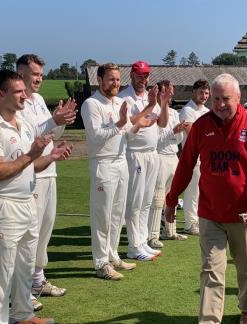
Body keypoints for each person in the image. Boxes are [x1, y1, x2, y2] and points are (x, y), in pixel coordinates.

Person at [164, 73, 247, 324]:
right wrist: (172, 199)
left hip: (244, 214)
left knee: (245, 268)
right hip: (210, 213)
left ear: (238, 98)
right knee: (211, 270)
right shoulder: (201, 127)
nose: (221, 104)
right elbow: (186, 165)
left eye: (226, 99)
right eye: (216, 99)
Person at [0, 70, 72, 324]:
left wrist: (49, 157)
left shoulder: (24, 123)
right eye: (17, 91)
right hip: (4, 204)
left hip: (27, 200)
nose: (24, 95)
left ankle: (22, 316)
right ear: (0, 94)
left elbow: (31, 165)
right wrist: (32, 155)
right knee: (1, 269)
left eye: (24, 90)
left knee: (25, 265)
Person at [81, 62, 155, 280]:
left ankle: (113, 255)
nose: (115, 83)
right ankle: (100, 263)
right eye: (111, 79)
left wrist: (137, 126)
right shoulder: (91, 104)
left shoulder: (119, 102)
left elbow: (125, 135)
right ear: (100, 80)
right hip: (103, 164)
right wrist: (121, 122)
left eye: (117, 79)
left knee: (117, 216)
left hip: (121, 161)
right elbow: (96, 136)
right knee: (102, 216)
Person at [16, 54, 77, 301]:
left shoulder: (39, 99)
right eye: (35, 74)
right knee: (30, 233)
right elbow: (29, 136)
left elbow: (49, 133)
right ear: (21, 74)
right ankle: (22, 288)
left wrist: (60, 122)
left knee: (45, 229)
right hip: (32, 173)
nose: (39, 79)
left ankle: (38, 280)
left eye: (41, 74)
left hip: (49, 169)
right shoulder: (17, 103)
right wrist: (54, 119)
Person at [118, 60, 172, 261]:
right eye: (139, 75)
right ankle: (133, 246)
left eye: (146, 76)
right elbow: (129, 123)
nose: (143, 79)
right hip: (135, 153)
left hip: (152, 154)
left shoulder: (151, 97)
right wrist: (150, 105)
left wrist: (163, 103)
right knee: (135, 201)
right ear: (131, 75)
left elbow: (163, 123)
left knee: (147, 201)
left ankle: (142, 242)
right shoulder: (125, 98)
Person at [148, 80, 191, 248]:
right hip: (159, 155)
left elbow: (178, 139)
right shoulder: (153, 111)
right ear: (159, 92)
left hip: (173, 155)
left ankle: (170, 231)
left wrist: (178, 131)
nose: (171, 94)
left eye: (172, 91)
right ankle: (152, 235)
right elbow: (156, 137)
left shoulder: (173, 112)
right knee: (158, 197)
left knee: (171, 195)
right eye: (168, 91)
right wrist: (173, 132)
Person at [178, 79, 211, 236]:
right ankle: (190, 224)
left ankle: (198, 220)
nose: (204, 96)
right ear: (193, 92)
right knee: (192, 192)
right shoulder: (187, 110)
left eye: (206, 93)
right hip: (193, 159)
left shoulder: (207, 111)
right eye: (201, 92)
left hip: (206, 159)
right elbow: (192, 134)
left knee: (202, 192)